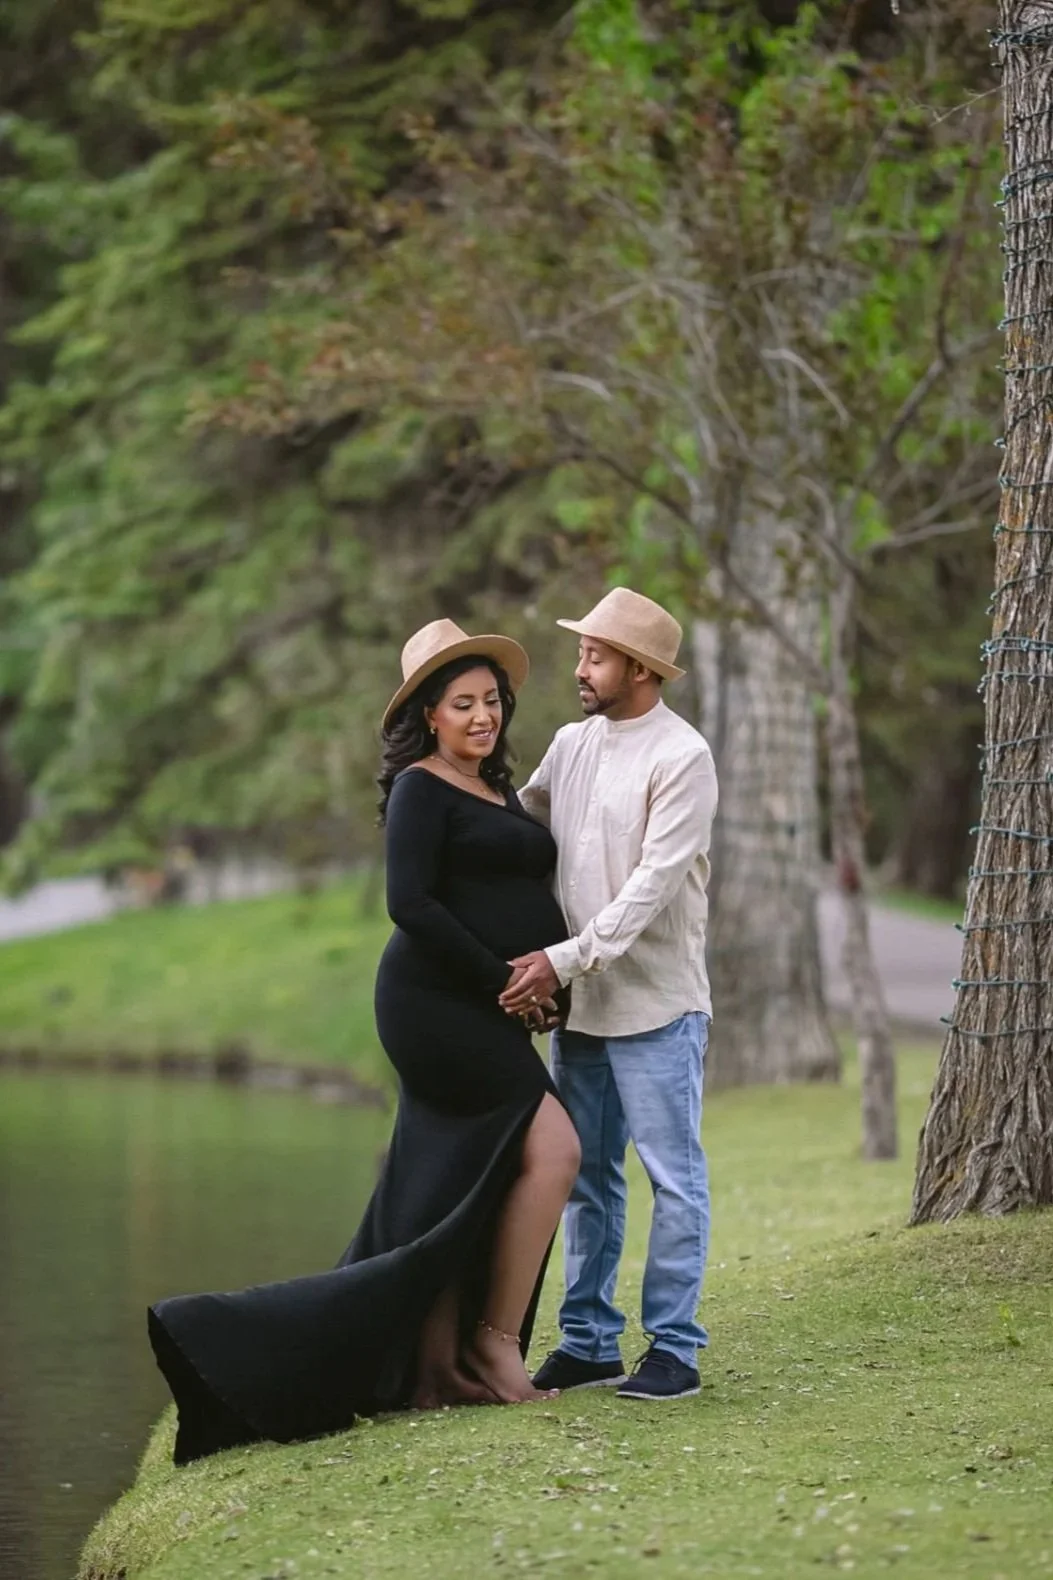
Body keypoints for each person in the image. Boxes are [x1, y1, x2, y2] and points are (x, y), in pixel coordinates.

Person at [148, 619, 581, 1463]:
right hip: (434, 1006)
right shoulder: (422, 789)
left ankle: (433, 1370)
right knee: (554, 1149)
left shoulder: (495, 788)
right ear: (427, 715)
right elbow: (411, 905)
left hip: (483, 1003)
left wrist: (545, 984)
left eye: (492, 700)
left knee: (457, 1179)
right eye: (463, 704)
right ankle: (493, 1346)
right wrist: (505, 979)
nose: (482, 716)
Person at [501, 587, 718, 1403]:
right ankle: (588, 1341)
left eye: (594, 655)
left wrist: (560, 959)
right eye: (583, 653)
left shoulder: (682, 758)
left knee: (673, 1177)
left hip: (657, 1008)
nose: (580, 668)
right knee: (585, 1177)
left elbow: (650, 889)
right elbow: (518, 835)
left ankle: (673, 1349)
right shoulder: (570, 743)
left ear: (638, 668)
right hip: (580, 1011)